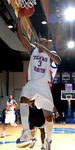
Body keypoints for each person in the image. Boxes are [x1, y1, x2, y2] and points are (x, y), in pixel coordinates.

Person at [16, 9, 61, 150]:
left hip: (45, 85)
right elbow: (21, 37)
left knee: (49, 118)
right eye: (40, 42)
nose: (40, 42)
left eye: (44, 42)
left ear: (48, 45)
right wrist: (19, 20)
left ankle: (48, 141)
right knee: (23, 96)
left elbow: (58, 61)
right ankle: (25, 133)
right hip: (33, 83)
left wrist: (44, 48)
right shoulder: (33, 50)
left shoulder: (51, 54)